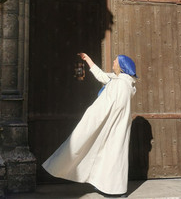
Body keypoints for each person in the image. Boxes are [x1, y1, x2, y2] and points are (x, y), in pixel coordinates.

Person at [42, 53, 137, 196]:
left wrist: (91, 118)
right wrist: (88, 60)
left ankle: (115, 189)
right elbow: (102, 76)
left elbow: (107, 106)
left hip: (112, 126)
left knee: (112, 155)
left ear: (122, 66)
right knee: (107, 155)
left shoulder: (120, 84)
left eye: (115, 61)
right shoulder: (119, 80)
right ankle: (106, 186)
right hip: (112, 125)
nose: (113, 62)